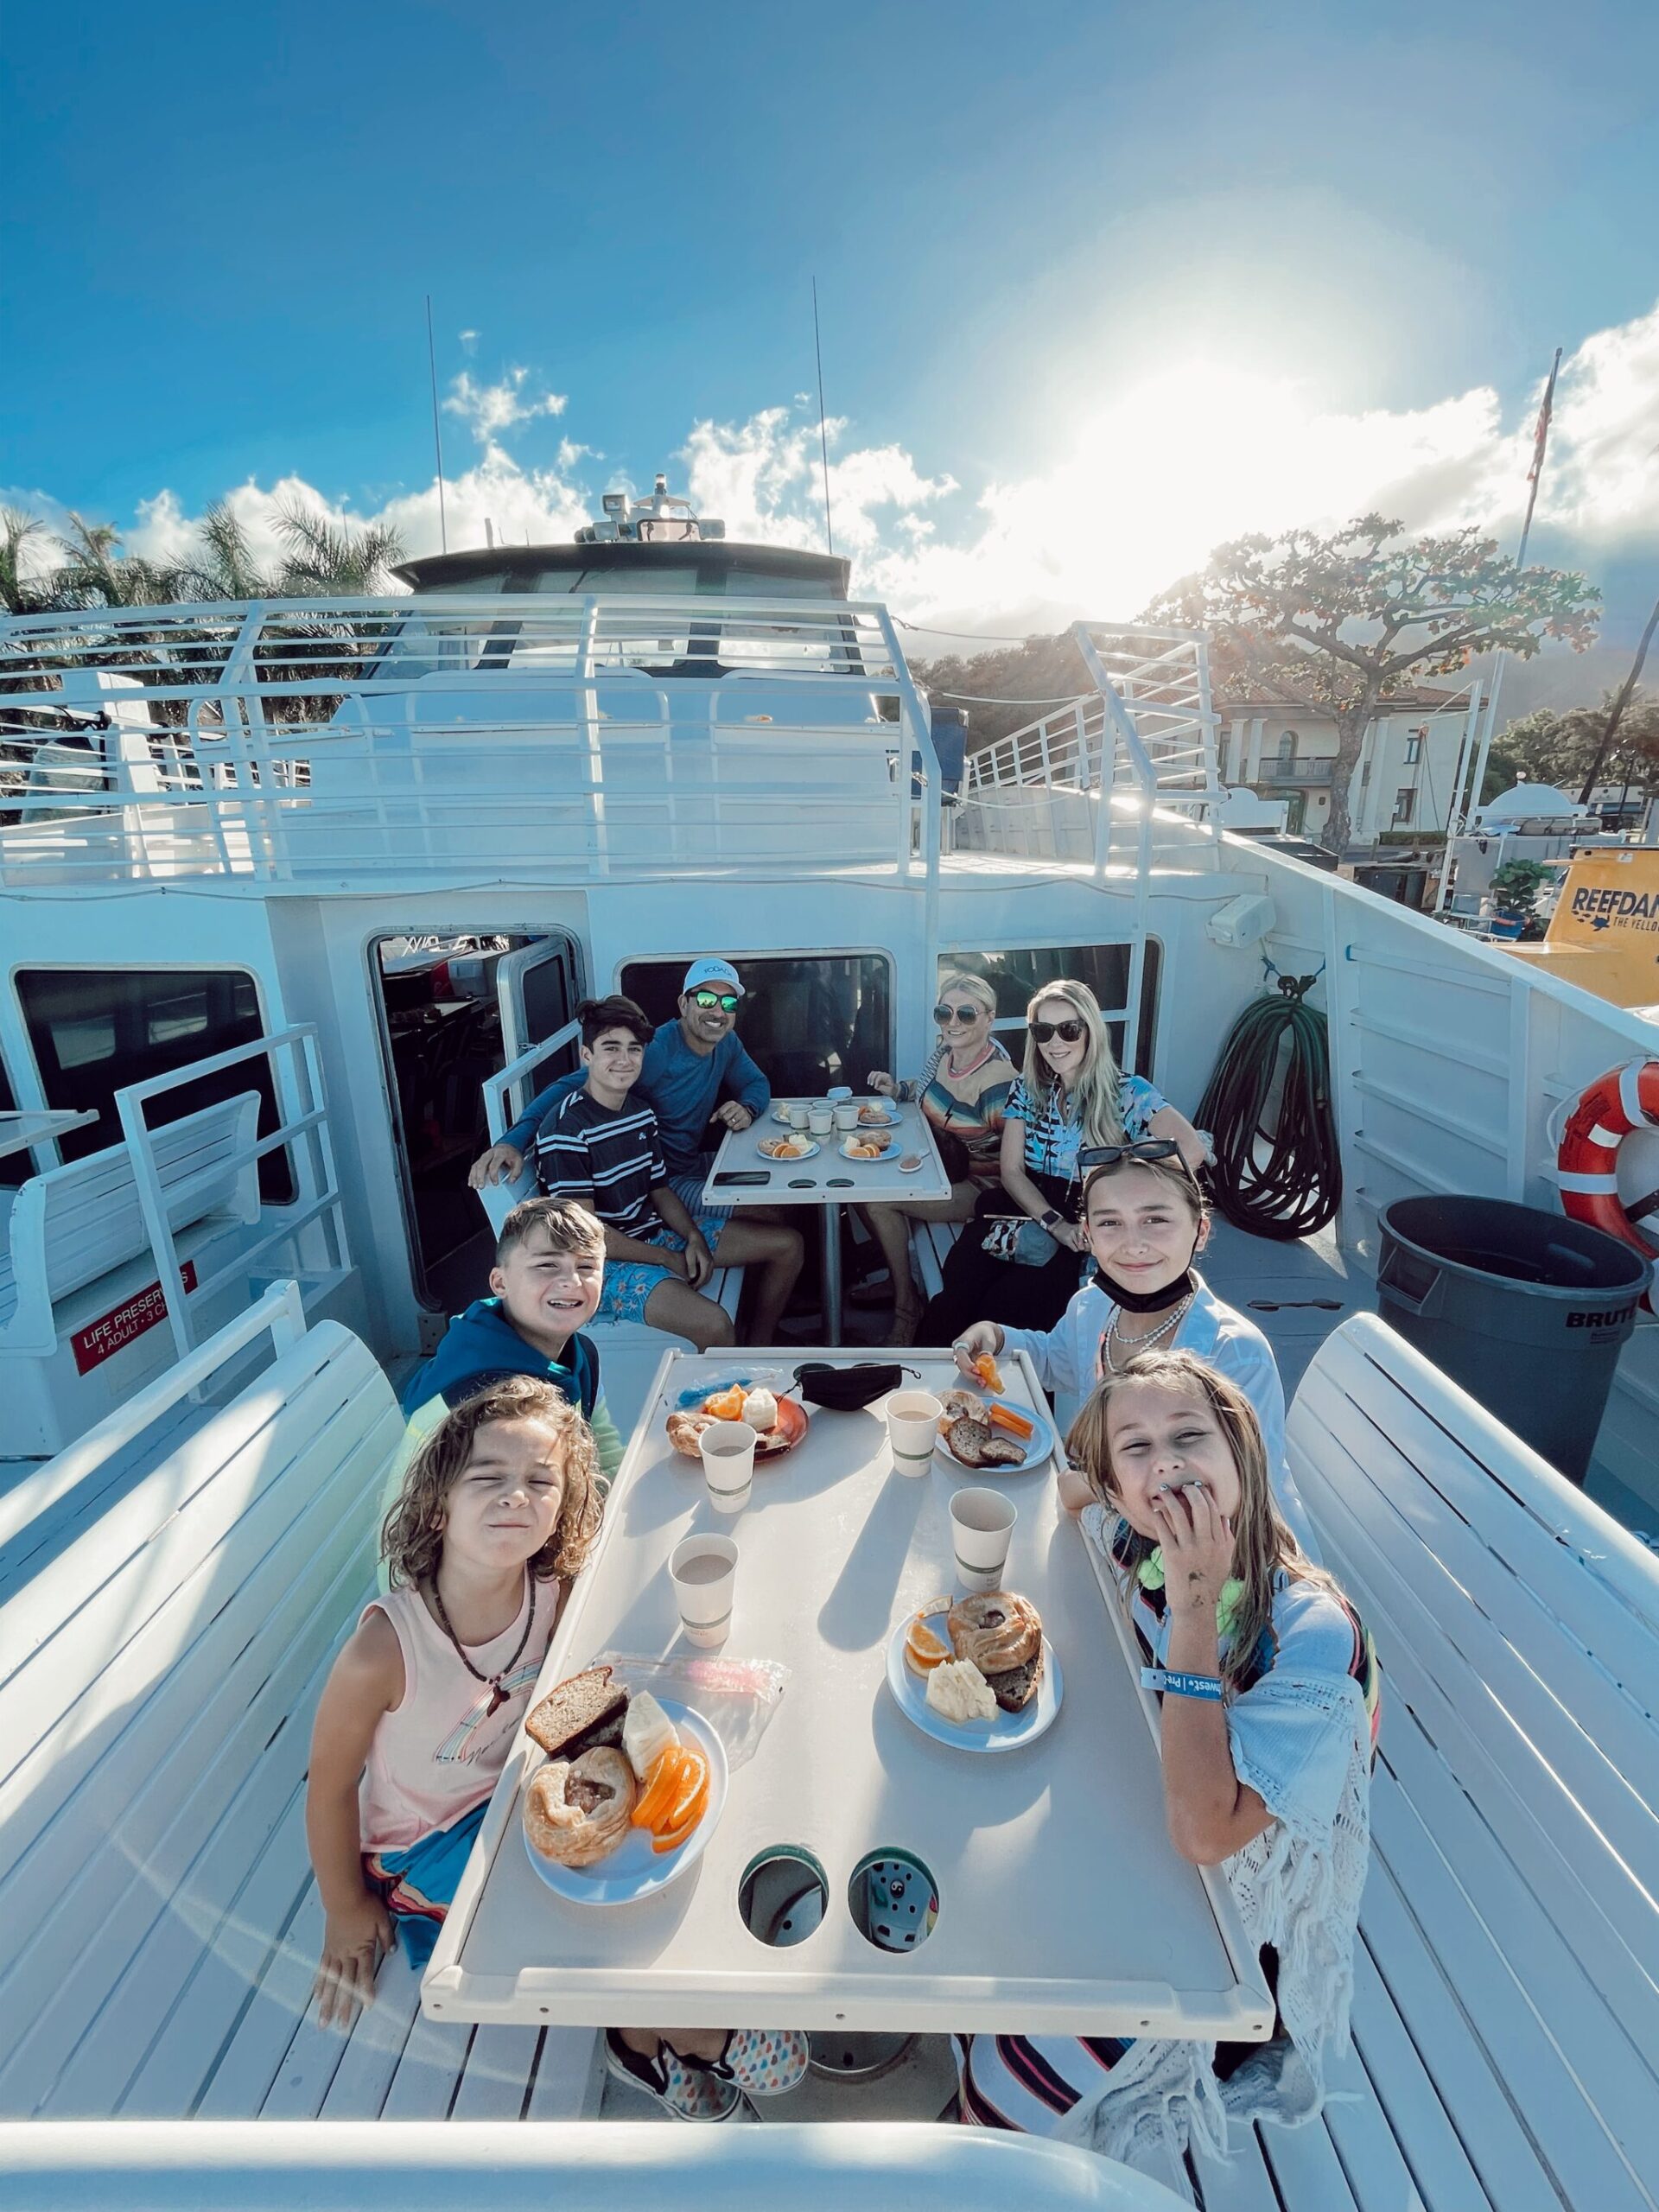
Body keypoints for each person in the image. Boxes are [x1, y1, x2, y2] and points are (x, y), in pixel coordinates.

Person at [956, 1350, 1378, 2170]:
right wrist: (1100, 1481)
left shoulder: (1310, 1638)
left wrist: (1190, 1605)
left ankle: (990, 2164)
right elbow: (1072, 1490)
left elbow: (1204, 1832)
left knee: (997, 2088)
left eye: (1191, 1436)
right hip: (1121, 1825)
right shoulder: (1139, 1539)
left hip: (1222, 1940)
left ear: (1243, 1448)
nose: (1170, 1464)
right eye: (1138, 1449)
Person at [308, 1376, 602, 2018]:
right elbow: (328, 1787)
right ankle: (658, 2039)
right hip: (424, 1839)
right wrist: (345, 1908)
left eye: (542, 1481)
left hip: (519, 1790)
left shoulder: (555, 1589)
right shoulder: (384, 1650)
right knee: (552, 1929)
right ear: (438, 1506)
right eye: (487, 1477)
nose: (516, 1496)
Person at [950, 1146, 1313, 1548]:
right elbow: (1057, 1359)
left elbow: (1240, 1498)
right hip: (1108, 1529)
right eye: (1110, 1223)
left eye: (1155, 1219)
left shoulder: (1234, 1354)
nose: (1133, 1244)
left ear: (1201, 1230)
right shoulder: (1094, 1306)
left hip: (1215, 1563)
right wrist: (998, 1336)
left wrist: (1093, 1485)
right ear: (1087, 1234)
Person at [920, 977, 1205, 1342]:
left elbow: (1191, 1149)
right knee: (956, 1292)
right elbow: (1011, 1171)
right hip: (1027, 1208)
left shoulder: (1128, 1092)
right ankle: (924, 1390)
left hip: (1085, 1220)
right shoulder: (1028, 1088)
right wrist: (1053, 1223)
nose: (1055, 1043)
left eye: (1069, 1030)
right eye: (1043, 1030)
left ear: (1090, 1032)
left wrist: (1123, 1189)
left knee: (1009, 1307)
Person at [377, 1197, 625, 1591]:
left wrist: (621, 1508)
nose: (571, 1282)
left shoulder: (576, 1354)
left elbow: (603, 1447)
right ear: (500, 1282)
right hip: (454, 1587)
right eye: (547, 1265)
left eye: (586, 1267)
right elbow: (427, 1530)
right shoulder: (491, 1400)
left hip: (530, 1540)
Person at [537, 995, 802, 1350]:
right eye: (611, 1048)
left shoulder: (640, 1113)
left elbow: (659, 1189)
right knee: (714, 1325)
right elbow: (588, 1236)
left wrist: (693, 1238)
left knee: (788, 1245)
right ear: (588, 1056)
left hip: (654, 1235)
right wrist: (666, 1258)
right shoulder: (565, 1130)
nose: (624, 1060)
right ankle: (724, 1396)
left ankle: (760, 1346)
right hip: (601, 1265)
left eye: (634, 1049)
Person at [468, 957, 770, 1205]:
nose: (718, 1012)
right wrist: (512, 1141)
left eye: (728, 1003)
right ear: (684, 1004)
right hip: (662, 1187)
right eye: (706, 999)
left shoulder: (727, 1043)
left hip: (692, 1165)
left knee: (779, 1206)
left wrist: (747, 1108)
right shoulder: (656, 1052)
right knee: (770, 1218)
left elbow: (757, 1084)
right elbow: (569, 1086)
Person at [861, 969, 1013, 1344]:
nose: (953, 1023)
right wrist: (898, 1088)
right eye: (945, 1014)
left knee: (877, 1202)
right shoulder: (945, 1054)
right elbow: (928, 1092)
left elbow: (1018, 1158)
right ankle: (899, 1280)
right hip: (936, 1168)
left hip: (978, 1184)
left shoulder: (999, 1083)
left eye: (967, 1014)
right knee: (859, 1186)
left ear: (990, 1018)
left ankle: (906, 1308)